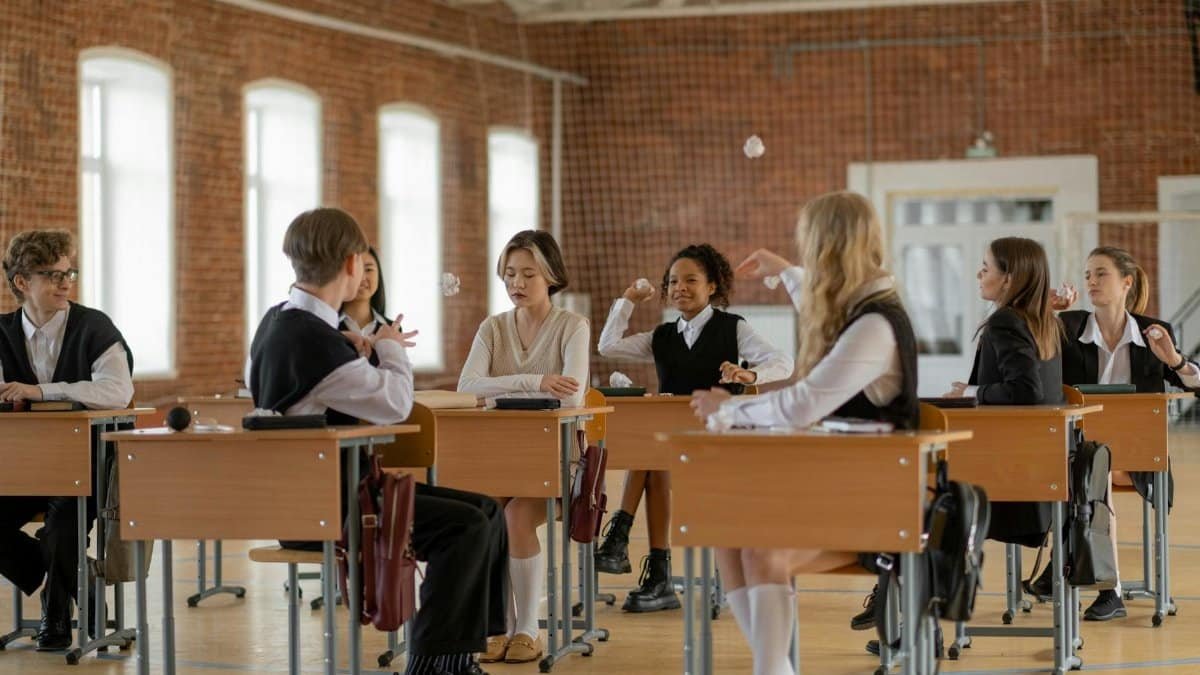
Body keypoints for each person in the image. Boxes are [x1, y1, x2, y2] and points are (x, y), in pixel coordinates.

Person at [248, 207, 504, 675]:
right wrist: (387, 348)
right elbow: (395, 403)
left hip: (317, 493)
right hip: (326, 505)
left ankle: (458, 656)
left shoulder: (277, 322)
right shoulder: (314, 338)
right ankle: (432, 665)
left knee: (486, 510)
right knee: (463, 527)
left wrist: (357, 353)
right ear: (350, 263)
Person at [689, 192, 920, 675]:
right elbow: (822, 310)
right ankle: (774, 668)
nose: (808, 256)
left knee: (763, 548)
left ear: (830, 248)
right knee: (725, 534)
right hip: (846, 487)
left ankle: (770, 669)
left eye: (810, 246)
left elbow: (803, 404)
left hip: (880, 503)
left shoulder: (876, 325)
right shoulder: (865, 307)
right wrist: (784, 272)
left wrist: (732, 409)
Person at [594, 243, 792, 612]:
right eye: (672, 281)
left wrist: (750, 374)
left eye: (690, 280)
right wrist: (627, 301)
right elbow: (607, 346)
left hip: (718, 442)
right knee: (651, 458)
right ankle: (652, 572)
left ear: (712, 286)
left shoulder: (734, 328)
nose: (679, 287)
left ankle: (634, 551)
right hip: (671, 446)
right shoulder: (662, 336)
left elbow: (784, 362)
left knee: (650, 460)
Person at [1035, 246, 1199, 620]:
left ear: (1126, 282)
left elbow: (1195, 384)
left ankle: (1097, 580)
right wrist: (1045, 312)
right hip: (1078, 454)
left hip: (1140, 458)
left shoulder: (1154, 332)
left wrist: (1173, 360)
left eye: (1101, 274)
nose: (1091, 281)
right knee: (1091, 468)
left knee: (1093, 471)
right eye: (1088, 274)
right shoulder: (1068, 327)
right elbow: (1033, 363)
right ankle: (1104, 585)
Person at [458, 229, 589, 664]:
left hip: (558, 461)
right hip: (498, 459)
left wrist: (498, 392)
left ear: (550, 276)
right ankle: (499, 625)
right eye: (510, 273)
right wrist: (534, 382)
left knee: (515, 515)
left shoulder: (573, 327)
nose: (517, 283)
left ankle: (528, 628)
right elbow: (467, 388)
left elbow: (570, 397)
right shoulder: (492, 328)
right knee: (484, 516)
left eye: (528, 274)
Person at [0, 229, 135, 650]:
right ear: (22, 283)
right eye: (53, 275)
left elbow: (117, 391)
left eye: (69, 273)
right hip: (20, 466)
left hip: (90, 464)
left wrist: (41, 391)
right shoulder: (2, 331)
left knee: (62, 526)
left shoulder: (94, 326)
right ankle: (75, 579)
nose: (65, 283)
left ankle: (55, 619)